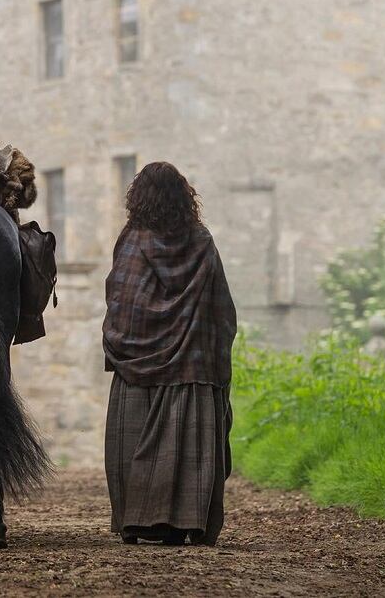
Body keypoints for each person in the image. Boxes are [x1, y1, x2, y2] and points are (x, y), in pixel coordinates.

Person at [102, 161, 238, 546]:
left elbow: (121, 299)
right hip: (191, 364)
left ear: (138, 199)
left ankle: (137, 521)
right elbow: (220, 308)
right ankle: (184, 522)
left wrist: (125, 342)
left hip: (137, 367)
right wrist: (210, 353)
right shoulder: (202, 241)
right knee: (183, 441)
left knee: (134, 437)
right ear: (184, 197)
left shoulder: (131, 239)